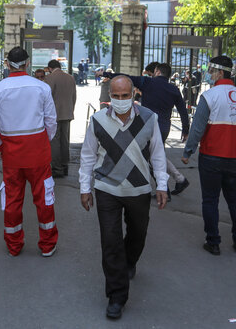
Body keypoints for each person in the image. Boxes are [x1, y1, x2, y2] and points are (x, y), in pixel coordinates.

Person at [79, 75, 169, 320]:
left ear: (134, 94)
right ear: (110, 96)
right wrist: (85, 188)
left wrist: (162, 185)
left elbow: (158, 155)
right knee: (110, 241)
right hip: (107, 188)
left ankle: (129, 261)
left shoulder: (150, 118)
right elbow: (87, 156)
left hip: (139, 189)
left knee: (138, 234)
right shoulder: (98, 120)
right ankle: (116, 296)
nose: (120, 101)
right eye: (116, 96)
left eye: (125, 96)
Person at [0, 47, 58, 257]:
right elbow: (51, 122)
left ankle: (14, 245)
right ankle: (47, 244)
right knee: (44, 200)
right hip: (38, 154)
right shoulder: (41, 88)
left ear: (7, 64)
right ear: (28, 64)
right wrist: (42, 143)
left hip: (11, 155)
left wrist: (1, 147)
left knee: (12, 201)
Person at [181, 56, 236, 256]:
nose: (210, 74)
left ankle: (213, 242)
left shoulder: (210, 96)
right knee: (235, 200)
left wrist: (188, 152)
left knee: (210, 200)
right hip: (234, 158)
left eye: (212, 71)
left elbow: (197, 129)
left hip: (211, 157)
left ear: (220, 72)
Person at [104, 63, 191, 195]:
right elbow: (183, 111)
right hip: (164, 127)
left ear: (157, 71)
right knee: (156, 154)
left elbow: (126, 78)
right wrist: (185, 130)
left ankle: (164, 189)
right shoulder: (174, 89)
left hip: (147, 125)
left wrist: (108, 74)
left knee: (149, 157)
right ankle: (179, 179)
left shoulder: (147, 82)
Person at [45, 59, 77, 178]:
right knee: (65, 141)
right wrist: (70, 110)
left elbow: (47, 98)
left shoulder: (49, 78)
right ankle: (65, 166)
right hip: (67, 113)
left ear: (49, 68)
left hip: (54, 115)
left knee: (55, 142)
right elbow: (74, 96)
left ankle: (57, 168)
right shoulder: (70, 78)